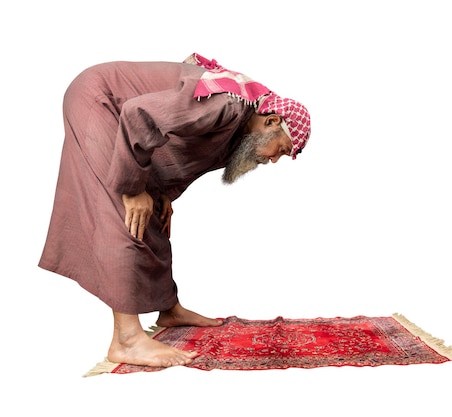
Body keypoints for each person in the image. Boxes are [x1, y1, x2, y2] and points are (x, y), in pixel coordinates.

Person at [38, 53, 312, 368]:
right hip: (98, 100)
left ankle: (169, 309)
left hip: (122, 119)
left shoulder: (239, 132)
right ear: (272, 122)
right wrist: (133, 187)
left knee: (152, 209)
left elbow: (185, 152)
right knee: (123, 210)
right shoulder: (228, 106)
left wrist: (162, 193)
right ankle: (126, 340)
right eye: (281, 149)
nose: (274, 159)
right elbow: (138, 113)